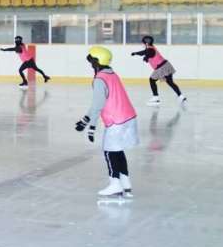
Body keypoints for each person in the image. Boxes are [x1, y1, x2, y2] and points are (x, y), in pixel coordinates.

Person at [75, 46, 138, 199]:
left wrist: (91, 127)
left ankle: (115, 185)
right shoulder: (112, 74)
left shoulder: (100, 79)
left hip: (116, 121)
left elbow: (98, 105)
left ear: (96, 61)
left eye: (91, 61)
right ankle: (125, 183)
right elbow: (99, 103)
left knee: (109, 152)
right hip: (129, 117)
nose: (90, 64)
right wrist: (85, 120)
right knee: (118, 150)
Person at [131, 35, 186, 106]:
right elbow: (144, 52)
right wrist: (136, 53)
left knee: (152, 80)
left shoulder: (150, 49)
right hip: (166, 65)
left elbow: (149, 53)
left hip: (161, 68)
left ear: (146, 43)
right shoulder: (151, 47)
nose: (143, 44)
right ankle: (181, 96)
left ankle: (156, 98)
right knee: (170, 82)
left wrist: (146, 57)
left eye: (143, 43)